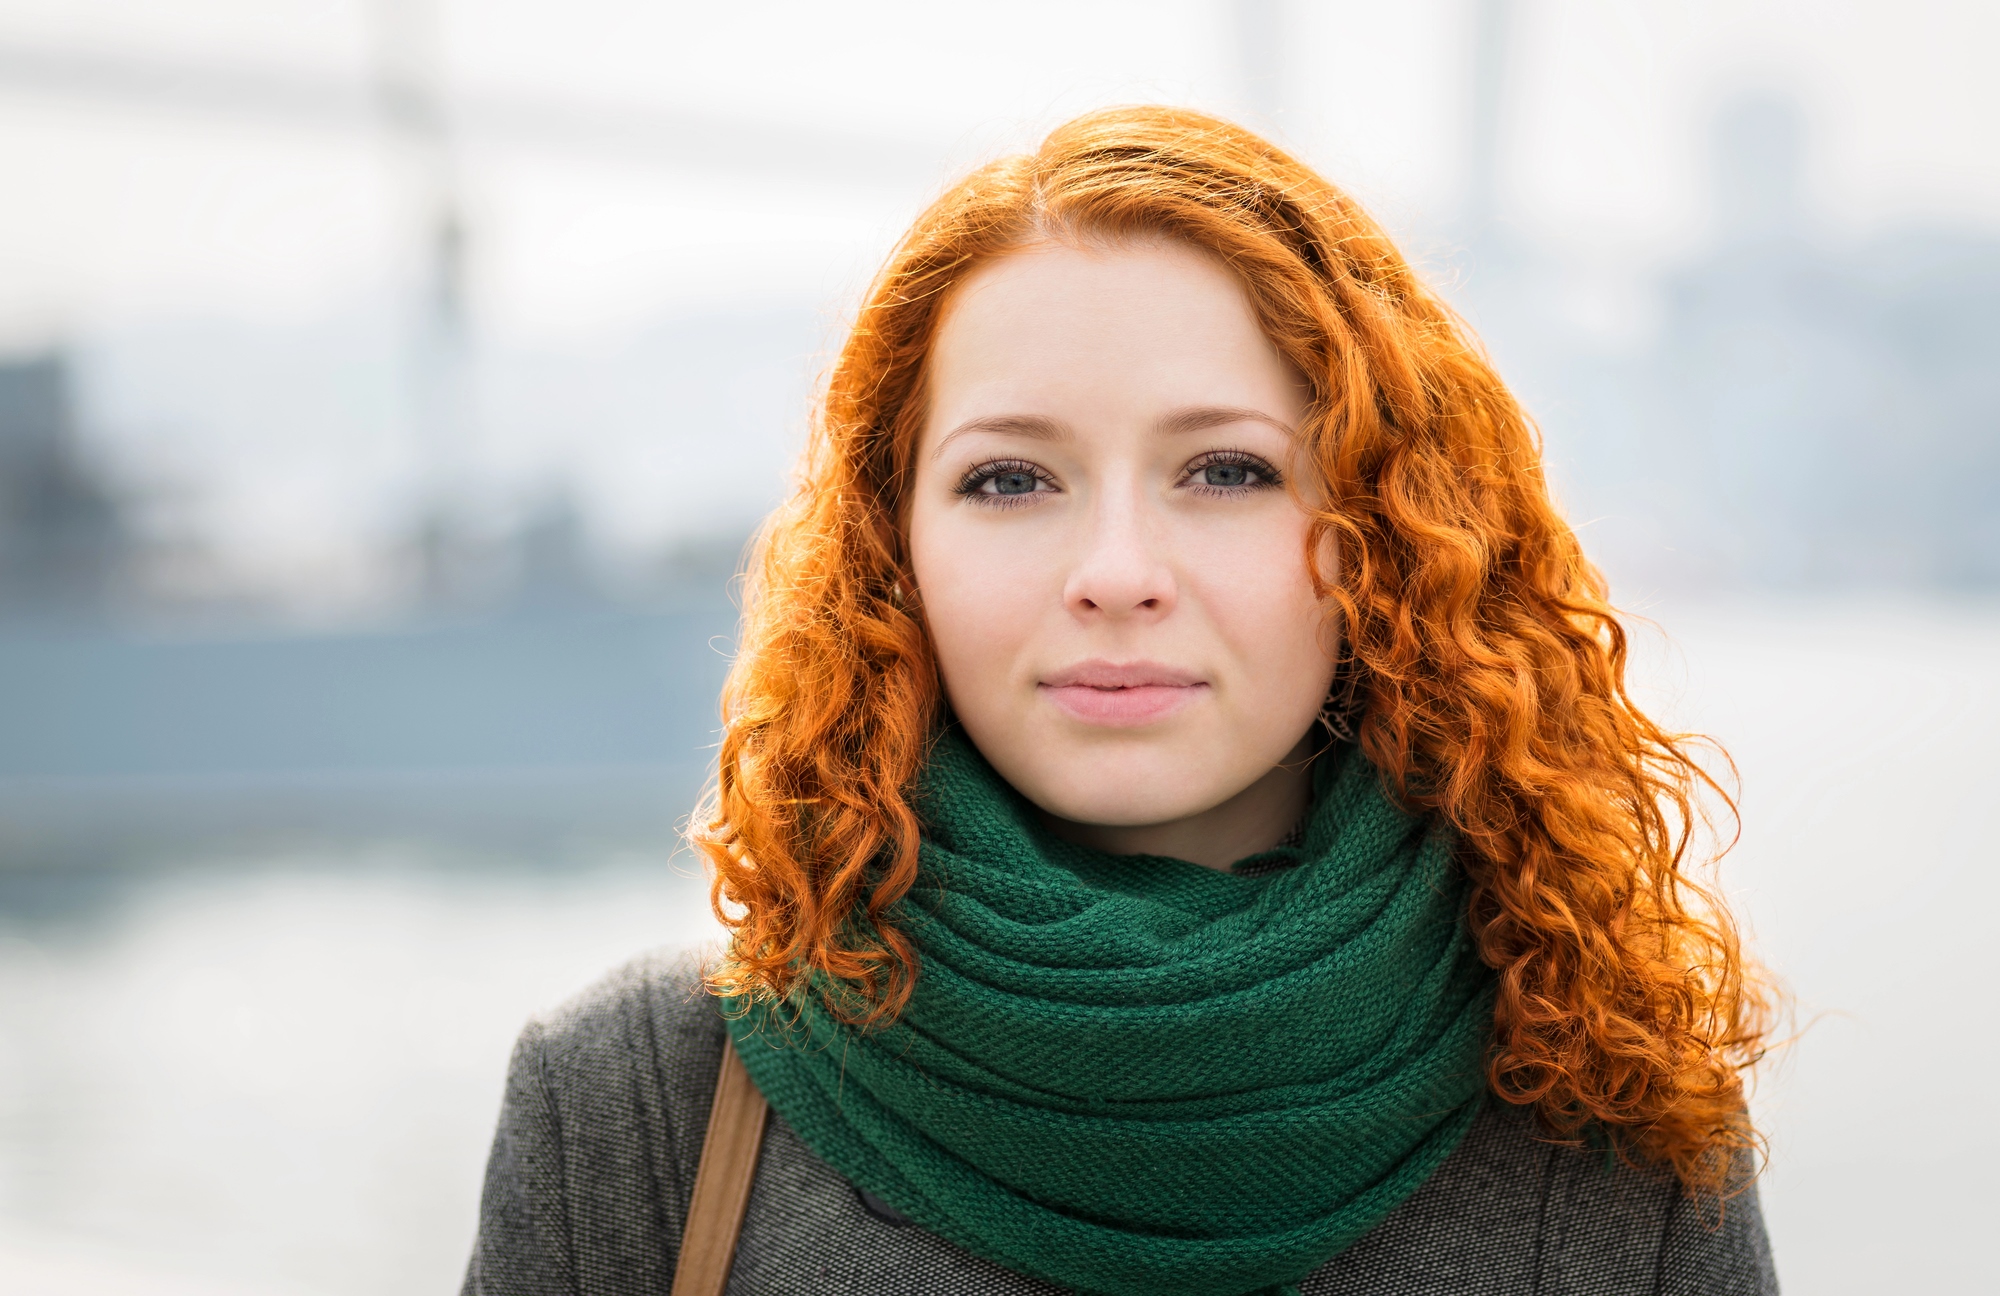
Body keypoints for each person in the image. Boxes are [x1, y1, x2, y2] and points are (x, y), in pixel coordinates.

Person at [462, 107, 1777, 1296]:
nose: (1116, 575)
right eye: (1010, 482)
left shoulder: (1614, 1122)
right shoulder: (637, 1106)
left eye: (1223, 470)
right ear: (890, 546)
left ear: (1390, 529)